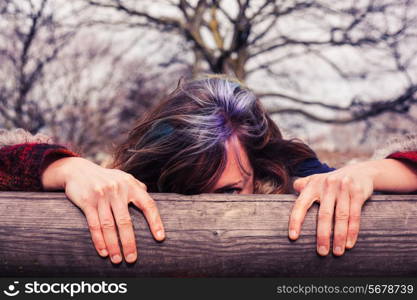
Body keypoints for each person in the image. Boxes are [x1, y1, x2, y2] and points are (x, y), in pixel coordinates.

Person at [1, 76, 417, 265]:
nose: (208, 206)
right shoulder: (130, 185)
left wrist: (370, 173)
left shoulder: (292, 175)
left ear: (259, 168)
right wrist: (68, 168)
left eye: (231, 191)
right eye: (190, 191)